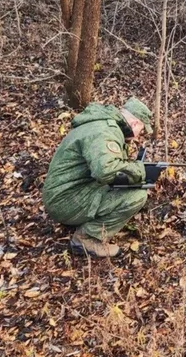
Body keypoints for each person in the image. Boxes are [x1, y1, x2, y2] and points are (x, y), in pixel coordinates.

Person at [42, 97, 153, 257]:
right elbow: (106, 171)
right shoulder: (105, 132)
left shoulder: (100, 125)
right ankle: (86, 239)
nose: (137, 136)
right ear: (135, 124)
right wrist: (140, 170)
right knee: (136, 196)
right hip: (63, 202)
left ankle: (83, 221)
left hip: (64, 194)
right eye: (140, 131)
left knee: (123, 187)